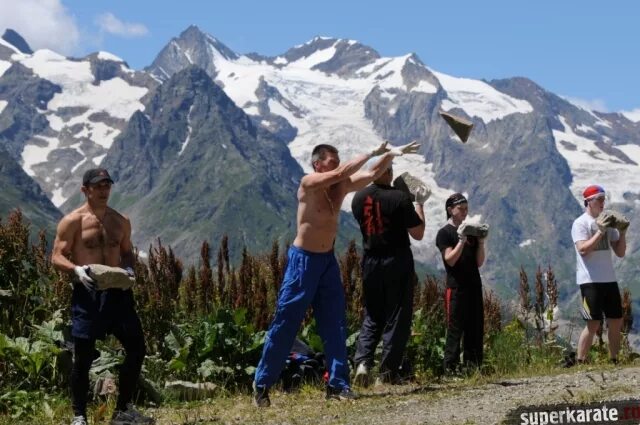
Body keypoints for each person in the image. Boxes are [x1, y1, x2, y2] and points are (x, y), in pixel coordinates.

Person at [252, 141, 420, 407]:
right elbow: (341, 173)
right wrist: (372, 151)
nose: (337, 165)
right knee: (286, 322)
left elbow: (371, 175)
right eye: (332, 161)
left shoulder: (339, 187)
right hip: (303, 262)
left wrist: (389, 155)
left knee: (334, 324)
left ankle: (337, 385)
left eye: (338, 160)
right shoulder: (309, 183)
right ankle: (262, 384)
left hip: (327, 261)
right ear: (318, 164)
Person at [51, 168, 154, 425]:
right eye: (97, 187)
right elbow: (56, 256)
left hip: (118, 293)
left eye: (107, 186)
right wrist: (75, 269)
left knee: (136, 349)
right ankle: (79, 416)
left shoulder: (120, 221)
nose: (103, 191)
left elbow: (127, 251)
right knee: (84, 357)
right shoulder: (72, 221)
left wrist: (129, 268)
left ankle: (122, 411)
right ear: (85, 190)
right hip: (88, 293)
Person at [350, 165, 427, 386]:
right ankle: (387, 373)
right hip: (397, 260)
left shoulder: (358, 198)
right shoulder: (399, 198)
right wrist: (419, 203)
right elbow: (418, 232)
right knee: (398, 316)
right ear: (389, 173)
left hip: (370, 261)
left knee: (373, 314)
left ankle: (362, 363)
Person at [571, 185, 627, 364]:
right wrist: (600, 231)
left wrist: (622, 232)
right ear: (589, 202)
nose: (603, 203)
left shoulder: (607, 223)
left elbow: (620, 252)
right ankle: (580, 360)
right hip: (590, 280)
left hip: (609, 279)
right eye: (599, 199)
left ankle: (614, 359)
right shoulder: (580, 223)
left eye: (604, 199)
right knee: (593, 323)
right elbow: (582, 249)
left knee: (616, 320)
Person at [435, 193, 486, 374]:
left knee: (475, 326)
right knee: (455, 328)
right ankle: (451, 367)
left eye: (466, 208)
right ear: (450, 210)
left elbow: (479, 262)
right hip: (456, 287)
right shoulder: (444, 233)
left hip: (474, 285)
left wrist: (479, 242)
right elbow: (450, 259)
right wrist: (461, 241)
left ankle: (473, 366)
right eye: (461, 209)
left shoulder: (470, 230)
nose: (465, 212)